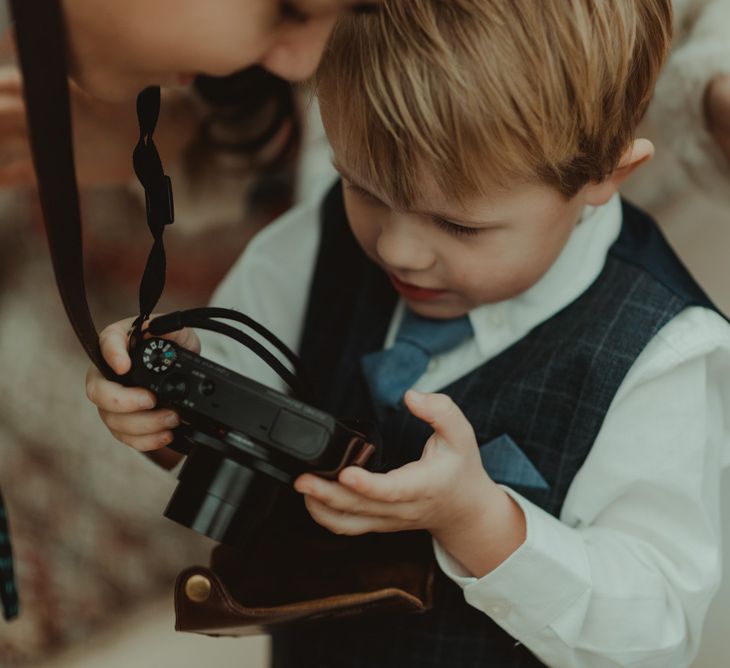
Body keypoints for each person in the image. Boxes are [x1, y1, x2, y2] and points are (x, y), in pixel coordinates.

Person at [84, 0, 729, 666]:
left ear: (605, 177)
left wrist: (480, 524)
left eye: (459, 226)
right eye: (364, 190)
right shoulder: (321, 240)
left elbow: (654, 636)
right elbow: (243, 417)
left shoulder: (663, 354)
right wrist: (175, 406)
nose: (398, 250)